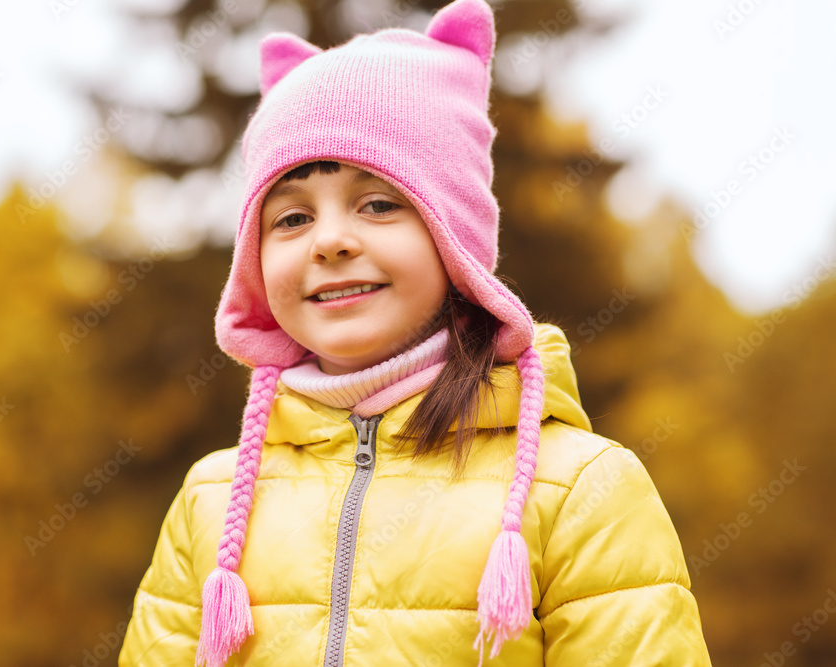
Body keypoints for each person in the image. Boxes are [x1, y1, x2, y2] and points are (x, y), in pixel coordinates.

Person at [119, 0, 712, 664]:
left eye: (378, 204)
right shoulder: (214, 499)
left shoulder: (580, 488)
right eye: (290, 218)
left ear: (453, 237)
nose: (331, 240)